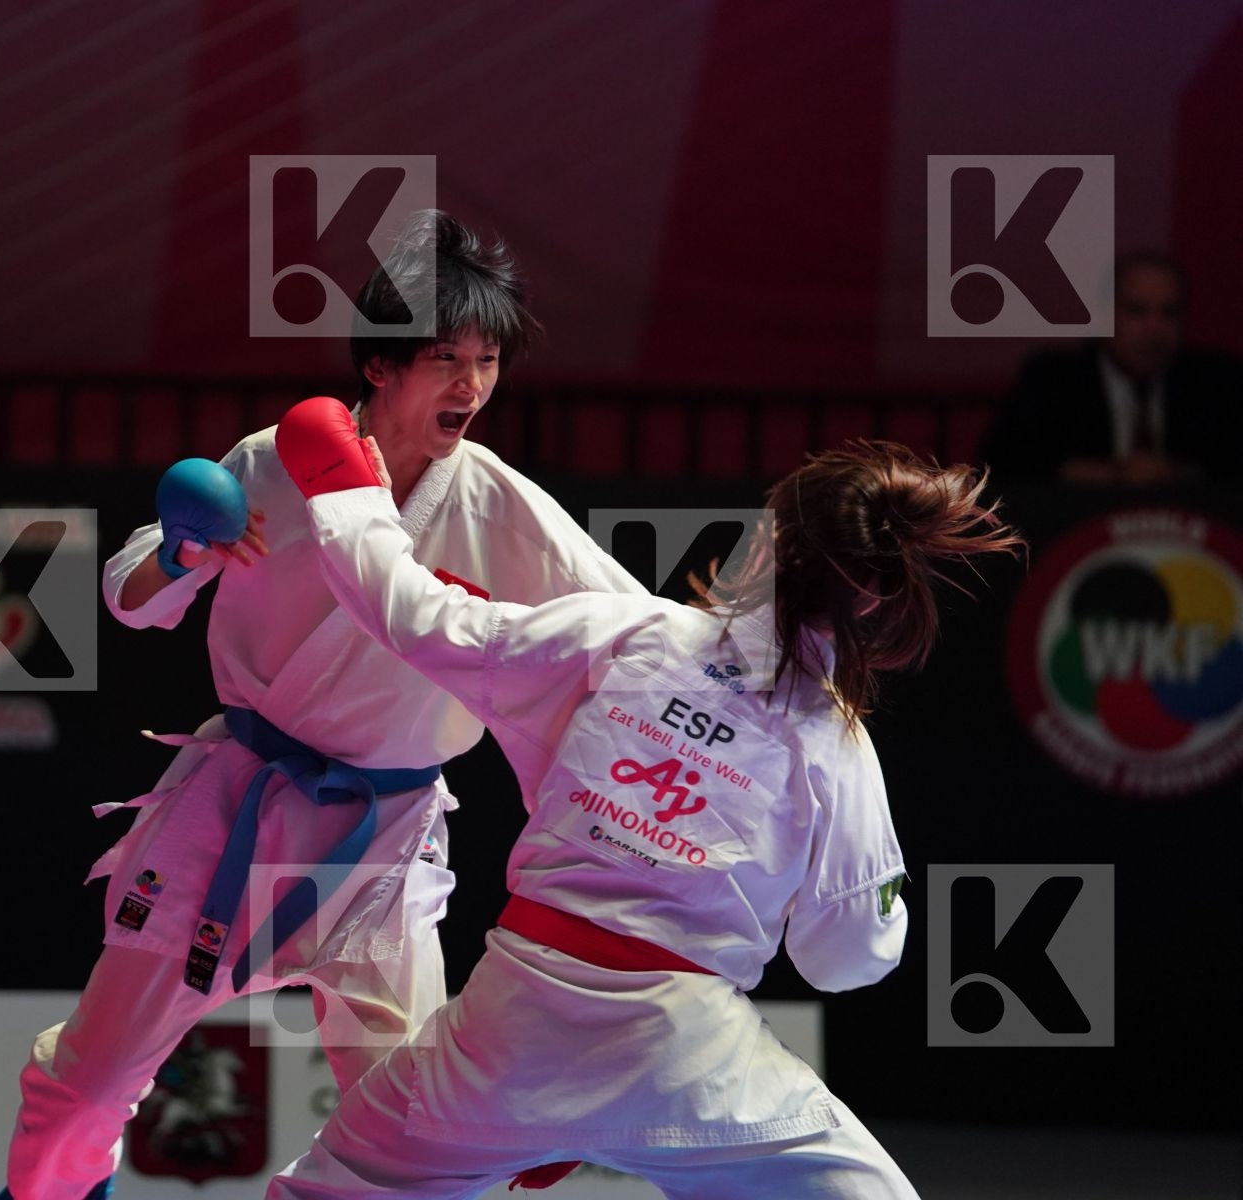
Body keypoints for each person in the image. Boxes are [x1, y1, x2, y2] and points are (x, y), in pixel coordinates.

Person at [0, 211, 645, 1200]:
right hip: (235, 812)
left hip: (384, 841)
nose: (471, 385)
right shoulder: (279, 457)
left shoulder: (504, 510)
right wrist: (182, 553)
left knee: (414, 1123)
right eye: (445, 358)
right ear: (381, 366)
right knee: (89, 1085)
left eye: (487, 360)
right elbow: (132, 602)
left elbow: (637, 630)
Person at [268, 409, 1026, 1199]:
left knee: (326, 1190)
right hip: (693, 1061)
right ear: (875, 603)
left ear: (764, 544)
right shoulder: (833, 744)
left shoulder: (633, 633)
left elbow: (417, 617)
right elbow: (843, 961)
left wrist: (348, 491)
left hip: (509, 1036)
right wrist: (879, 901)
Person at [978, 251, 1243, 485]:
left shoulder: (1215, 381)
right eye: (1137, 311)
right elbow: (1000, 464)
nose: (1154, 328)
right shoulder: (1054, 380)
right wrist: (1107, 475)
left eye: (1169, 313)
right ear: (1104, 314)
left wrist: (1178, 473)